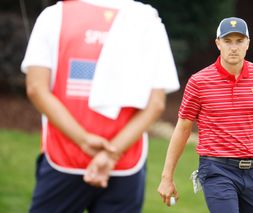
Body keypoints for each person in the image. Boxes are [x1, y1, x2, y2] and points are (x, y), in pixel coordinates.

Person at [21, 0, 180, 212]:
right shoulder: (147, 19)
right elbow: (156, 104)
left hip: (64, 155)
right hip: (125, 162)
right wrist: (112, 153)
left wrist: (84, 140)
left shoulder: (54, 15)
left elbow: (36, 88)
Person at [157, 17, 253, 213]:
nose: (233, 47)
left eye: (239, 41)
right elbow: (183, 128)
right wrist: (166, 177)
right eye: (227, 41)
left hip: (252, 171)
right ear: (218, 43)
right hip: (216, 169)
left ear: (247, 43)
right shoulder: (199, 82)